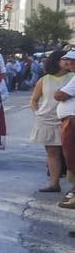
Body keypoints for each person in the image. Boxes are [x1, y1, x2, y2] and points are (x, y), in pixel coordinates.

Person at [31, 50, 72, 193]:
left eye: (70, 59)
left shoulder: (72, 77)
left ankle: (73, 187)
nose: (68, 62)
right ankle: (54, 183)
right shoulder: (44, 79)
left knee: (69, 153)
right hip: (47, 119)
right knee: (52, 153)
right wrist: (38, 113)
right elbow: (34, 100)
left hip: (67, 120)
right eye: (64, 59)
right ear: (56, 61)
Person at [54, 53, 75, 210]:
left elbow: (59, 95)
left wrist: (60, 91)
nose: (69, 63)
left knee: (72, 158)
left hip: (72, 121)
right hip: (69, 120)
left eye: (72, 60)